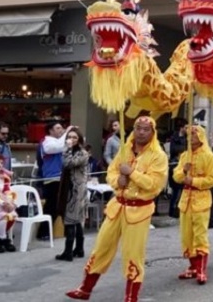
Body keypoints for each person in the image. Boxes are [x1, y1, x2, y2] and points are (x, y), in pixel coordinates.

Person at [66, 115, 168, 302]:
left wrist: (132, 174)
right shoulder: (124, 149)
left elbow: (154, 185)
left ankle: (131, 297)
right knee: (101, 247)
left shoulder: (159, 156)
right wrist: (117, 181)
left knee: (133, 254)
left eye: (146, 129)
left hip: (139, 211)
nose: (141, 132)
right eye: (138, 128)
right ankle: (85, 288)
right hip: (117, 206)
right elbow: (112, 172)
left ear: (153, 132)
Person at [171, 125, 213, 284]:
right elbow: (176, 177)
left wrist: (194, 181)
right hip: (186, 200)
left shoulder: (209, 156)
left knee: (200, 235)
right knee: (186, 236)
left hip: (201, 199)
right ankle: (193, 267)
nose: (191, 137)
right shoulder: (185, 156)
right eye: (189, 134)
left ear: (201, 137)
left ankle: (201, 269)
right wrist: (183, 171)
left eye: (194, 134)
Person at [56, 126, 90, 262]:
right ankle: (79, 249)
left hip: (76, 190)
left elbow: (68, 163)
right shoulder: (72, 151)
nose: (71, 140)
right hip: (68, 187)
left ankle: (68, 251)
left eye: (74, 137)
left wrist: (67, 149)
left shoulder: (82, 153)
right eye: (69, 137)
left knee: (72, 219)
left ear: (79, 139)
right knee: (75, 219)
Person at [39, 120, 67, 239]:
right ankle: (43, 232)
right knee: (51, 205)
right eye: (58, 128)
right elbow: (57, 147)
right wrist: (68, 132)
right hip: (51, 177)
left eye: (62, 128)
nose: (61, 130)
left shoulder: (59, 142)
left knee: (59, 205)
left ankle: (57, 231)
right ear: (50, 130)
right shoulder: (47, 142)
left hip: (61, 176)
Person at [167, 118, 189, 219]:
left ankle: (178, 209)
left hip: (183, 165)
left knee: (181, 189)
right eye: (186, 127)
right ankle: (172, 210)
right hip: (175, 164)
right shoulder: (174, 138)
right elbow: (173, 150)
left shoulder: (187, 138)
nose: (187, 129)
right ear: (181, 128)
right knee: (176, 189)